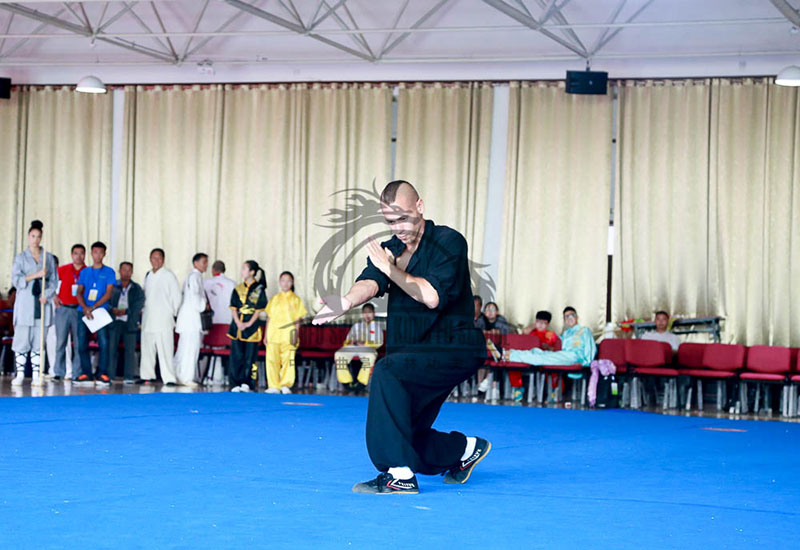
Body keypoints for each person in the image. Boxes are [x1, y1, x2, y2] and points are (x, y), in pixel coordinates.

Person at [313, 180, 490, 495]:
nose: (399, 228)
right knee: (408, 435)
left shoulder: (449, 242)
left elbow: (431, 296)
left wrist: (392, 270)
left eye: (405, 218)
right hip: (415, 352)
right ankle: (464, 449)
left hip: (453, 348)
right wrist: (346, 301)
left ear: (420, 207)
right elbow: (370, 280)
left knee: (385, 370)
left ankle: (400, 475)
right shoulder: (391, 250)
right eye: (391, 221)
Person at [10, 220, 58, 387]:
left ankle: (37, 374)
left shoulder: (48, 257)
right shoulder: (21, 258)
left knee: (39, 341)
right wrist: (36, 275)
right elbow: (16, 280)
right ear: (28, 237)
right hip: (25, 304)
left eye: (38, 236)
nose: (36, 240)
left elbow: (54, 281)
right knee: (22, 340)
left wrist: (47, 294)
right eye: (33, 236)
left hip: (41, 304)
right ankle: (21, 374)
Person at [75, 242, 116, 387]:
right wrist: (85, 307)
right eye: (95, 252)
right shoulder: (85, 272)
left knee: (104, 343)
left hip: (100, 311)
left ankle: (102, 374)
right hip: (83, 312)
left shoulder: (109, 272)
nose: (97, 255)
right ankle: (87, 373)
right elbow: (79, 291)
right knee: (81, 343)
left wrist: (93, 307)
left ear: (104, 254)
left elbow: (109, 292)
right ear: (91, 254)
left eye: (100, 252)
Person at [139, 248, 182, 386]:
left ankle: (169, 378)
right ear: (150, 259)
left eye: (159, 258)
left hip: (164, 319)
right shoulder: (148, 275)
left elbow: (176, 297)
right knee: (147, 350)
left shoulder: (169, 276)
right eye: (153, 258)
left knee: (165, 350)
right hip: (148, 318)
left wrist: (173, 313)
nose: (156, 261)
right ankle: (147, 375)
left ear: (163, 260)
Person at [504, 307, 597, 367]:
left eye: (571, 315)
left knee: (544, 358)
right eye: (566, 317)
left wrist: (585, 364)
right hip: (564, 355)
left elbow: (591, 349)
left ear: (577, 317)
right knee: (538, 352)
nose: (569, 318)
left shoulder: (585, 330)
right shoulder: (565, 334)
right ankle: (509, 352)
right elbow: (557, 346)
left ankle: (512, 356)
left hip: (575, 357)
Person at [263, 271, 307, 394]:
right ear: (279, 282)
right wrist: (266, 335)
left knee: (289, 360)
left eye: (288, 280)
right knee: (271, 359)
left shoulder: (296, 300)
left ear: (292, 283)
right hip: (273, 334)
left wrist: (295, 335)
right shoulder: (274, 299)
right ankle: (273, 385)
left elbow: (298, 320)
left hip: (288, 334)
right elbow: (269, 318)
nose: (285, 283)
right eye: (283, 280)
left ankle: (286, 384)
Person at [228, 261, 267, 393]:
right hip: (237, 326)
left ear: (252, 272)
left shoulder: (259, 289)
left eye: (244, 269)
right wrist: (238, 322)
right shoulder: (237, 288)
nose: (242, 271)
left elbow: (259, 309)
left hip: (252, 327)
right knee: (236, 356)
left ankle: (248, 383)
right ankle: (235, 382)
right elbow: (233, 308)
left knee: (250, 357)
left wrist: (249, 324)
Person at [508, 311, 561, 402]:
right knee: (514, 363)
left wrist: (548, 347)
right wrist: (534, 325)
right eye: (538, 322)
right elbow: (524, 332)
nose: (540, 325)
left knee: (553, 368)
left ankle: (553, 391)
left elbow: (555, 349)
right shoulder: (532, 332)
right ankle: (518, 388)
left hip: (543, 359)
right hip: (529, 358)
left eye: (543, 323)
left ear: (548, 324)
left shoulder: (551, 334)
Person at [173, 253, 209, 386]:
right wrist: (203, 304)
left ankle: (179, 373)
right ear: (196, 263)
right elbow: (195, 297)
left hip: (188, 318)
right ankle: (186, 377)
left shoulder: (193, 277)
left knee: (184, 347)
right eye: (203, 262)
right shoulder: (195, 277)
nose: (206, 265)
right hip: (191, 319)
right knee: (190, 348)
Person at [53, 244, 86, 381]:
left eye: (81, 253)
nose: (78, 256)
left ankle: (77, 373)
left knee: (79, 343)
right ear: (72, 255)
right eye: (76, 253)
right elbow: (51, 283)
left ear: (85, 255)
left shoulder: (88, 271)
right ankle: (59, 372)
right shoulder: (62, 270)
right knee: (61, 342)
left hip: (79, 310)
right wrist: (54, 296)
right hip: (64, 308)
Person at [334, 303, 384, 392]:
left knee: (370, 357)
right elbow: (348, 339)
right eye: (365, 312)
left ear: (374, 313)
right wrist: (351, 342)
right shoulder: (357, 325)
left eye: (369, 312)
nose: (367, 315)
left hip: (368, 349)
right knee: (339, 354)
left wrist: (365, 343)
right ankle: (346, 382)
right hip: (354, 347)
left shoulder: (377, 327)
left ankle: (362, 382)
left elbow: (379, 342)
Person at [108, 262, 145, 384]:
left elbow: (139, 304)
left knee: (130, 351)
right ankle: (110, 376)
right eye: (124, 270)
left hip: (130, 322)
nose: (126, 272)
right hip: (114, 321)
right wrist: (112, 309)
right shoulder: (112, 286)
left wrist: (126, 311)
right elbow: (105, 299)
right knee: (112, 349)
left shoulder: (136, 288)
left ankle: (129, 377)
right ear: (119, 271)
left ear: (132, 272)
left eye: (129, 270)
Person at [204, 260, 236, 326]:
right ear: (224, 270)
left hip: (210, 321)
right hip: (228, 320)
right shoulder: (233, 284)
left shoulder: (206, 283)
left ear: (213, 270)